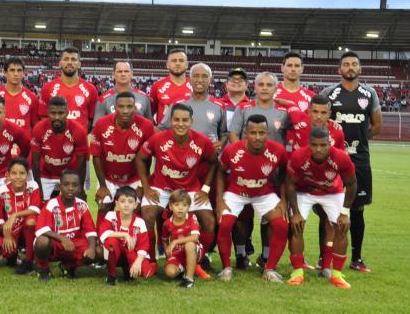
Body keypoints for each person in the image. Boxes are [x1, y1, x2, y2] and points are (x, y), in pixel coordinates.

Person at [135, 103, 217, 277]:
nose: (180, 123)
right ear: (171, 121)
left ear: (191, 121)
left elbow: (213, 161)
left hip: (190, 189)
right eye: (176, 119)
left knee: (209, 222)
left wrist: (206, 188)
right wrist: (146, 187)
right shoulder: (158, 139)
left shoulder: (202, 141)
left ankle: (196, 260)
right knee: (148, 215)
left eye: (185, 120)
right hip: (161, 188)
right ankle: (151, 260)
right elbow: (141, 159)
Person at [320, 51, 382, 273]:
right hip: (332, 158)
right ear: (339, 70)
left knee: (357, 208)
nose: (350, 67)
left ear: (360, 68)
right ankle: (322, 258)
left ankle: (356, 258)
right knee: (327, 209)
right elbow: (319, 121)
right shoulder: (329, 93)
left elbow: (376, 124)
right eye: (346, 64)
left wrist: (360, 139)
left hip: (360, 158)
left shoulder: (370, 93)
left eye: (354, 64)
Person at [215, 114, 289, 283]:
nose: (257, 137)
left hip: (264, 194)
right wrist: (219, 199)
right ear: (245, 133)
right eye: (253, 132)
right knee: (225, 223)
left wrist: (283, 200)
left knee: (282, 225)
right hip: (236, 193)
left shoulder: (278, 150)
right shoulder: (232, 150)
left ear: (267, 133)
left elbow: (286, 174)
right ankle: (226, 268)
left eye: (261, 133)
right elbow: (220, 172)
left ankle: (269, 269)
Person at [286, 127, 357, 289]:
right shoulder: (298, 156)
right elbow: (290, 185)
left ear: (329, 144)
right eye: (314, 145)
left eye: (323, 145)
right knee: (296, 226)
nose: (318, 149)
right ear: (308, 144)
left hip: (332, 192)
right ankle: (297, 273)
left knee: (342, 226)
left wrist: (345, 213)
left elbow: (352, 184)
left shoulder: (341, 158)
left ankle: (337, 275)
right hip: (305, 192)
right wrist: (296, 213)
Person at [91, 91, 155, 210]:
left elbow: (148, 159)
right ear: (115, 108)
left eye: (129, 106)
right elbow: (96, 156)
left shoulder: (146, 125)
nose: (125, 110)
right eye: (121, 106)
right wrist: (103, 186)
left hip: (135, 178)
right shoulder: (101, 124)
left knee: (137, 209)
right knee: (104, 206)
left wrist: (143, 184)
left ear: (135, 108)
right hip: (108, 178)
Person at [34, 170, 99, 282]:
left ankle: (69, 266)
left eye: (75, 185)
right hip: (56, 244)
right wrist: (62, 239)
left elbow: (91, 231)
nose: (70, 188)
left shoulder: (82, 205)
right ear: (60, 186)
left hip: (74, 244)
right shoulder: (51, 204)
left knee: (99, 251)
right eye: (66, 184)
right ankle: (43, 268)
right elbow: (41, 229)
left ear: (79, 187)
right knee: (42, 241)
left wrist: (92, 249)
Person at [31, 96, 89, 200]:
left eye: (60, 113)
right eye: (53, 113)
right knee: (38, 204)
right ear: (48, 112)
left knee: (77, 204)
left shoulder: (78, 130)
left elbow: (82, 162)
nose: (57, 117)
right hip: (46, 174)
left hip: (69, 173)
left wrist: (80, 186)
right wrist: (37, 185)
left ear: (67, 112)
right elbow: (35, 161)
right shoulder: (39, 129)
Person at [0, 158, 42, 274]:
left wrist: (14, 215)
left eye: (22, 173)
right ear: (8, 175)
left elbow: (35, 209)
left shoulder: (33, 186)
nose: (18, 176)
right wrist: (7, 235)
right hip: (11, 231)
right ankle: (12, 256)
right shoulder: (1, 191)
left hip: (28, 230)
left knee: (31, 221)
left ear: (27, 175)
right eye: (14, 173)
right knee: (8, 252)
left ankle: (29, 261)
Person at [98, 186, 151, 286]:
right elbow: (103, 233)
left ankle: (128, 270)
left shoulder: (140, 222)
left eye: (130, 202)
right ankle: (112, 275)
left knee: (145, 271)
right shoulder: (111, 215)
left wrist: (138, 262)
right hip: (114, 252)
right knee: (111, 242)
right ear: (117, 203)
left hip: (131, 253)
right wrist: (124, 234)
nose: (126, 205)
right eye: (122, 201)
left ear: (135, 205)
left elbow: (144, 245)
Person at [38, 46, 98, 132]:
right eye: (66, 59)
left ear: (79, 64)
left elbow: (92, 119)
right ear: (60, 63)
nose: (69, 62)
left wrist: (80, 135)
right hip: (55, 141)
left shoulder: (91, 90)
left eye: (73, 59)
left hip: (80, 143)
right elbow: (43, 117)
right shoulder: (47, 88)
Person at [162, 190, 206, 288]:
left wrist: (175, 241)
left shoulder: (192, 218)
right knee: (169, 273)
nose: (180, 208)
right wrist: (167, 252)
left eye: (184, 205)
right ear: (170, 206)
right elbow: (164, 239)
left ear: (188, 207)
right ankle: (185, 269)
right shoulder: (167, 223)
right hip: (177, 253)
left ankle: (189, 279)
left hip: (194, 250)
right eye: (177, 205)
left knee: (189, 244)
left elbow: (195, 238)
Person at [0, 57, 39, 137]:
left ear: (24, 73)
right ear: (5, 72)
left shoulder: (32, 98)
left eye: (19, 70)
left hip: (23, 147)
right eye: (12, 70)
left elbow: (35, 125)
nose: (16, 74)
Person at [149, 48, 192, 124]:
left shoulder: (194, 85)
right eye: (174, 60)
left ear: (187, 64)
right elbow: (149, 113)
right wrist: (156, 129)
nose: (177, 63)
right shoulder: (157, 86)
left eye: (181, 60)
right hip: (164, 133)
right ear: (167, 65)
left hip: (190, 133)